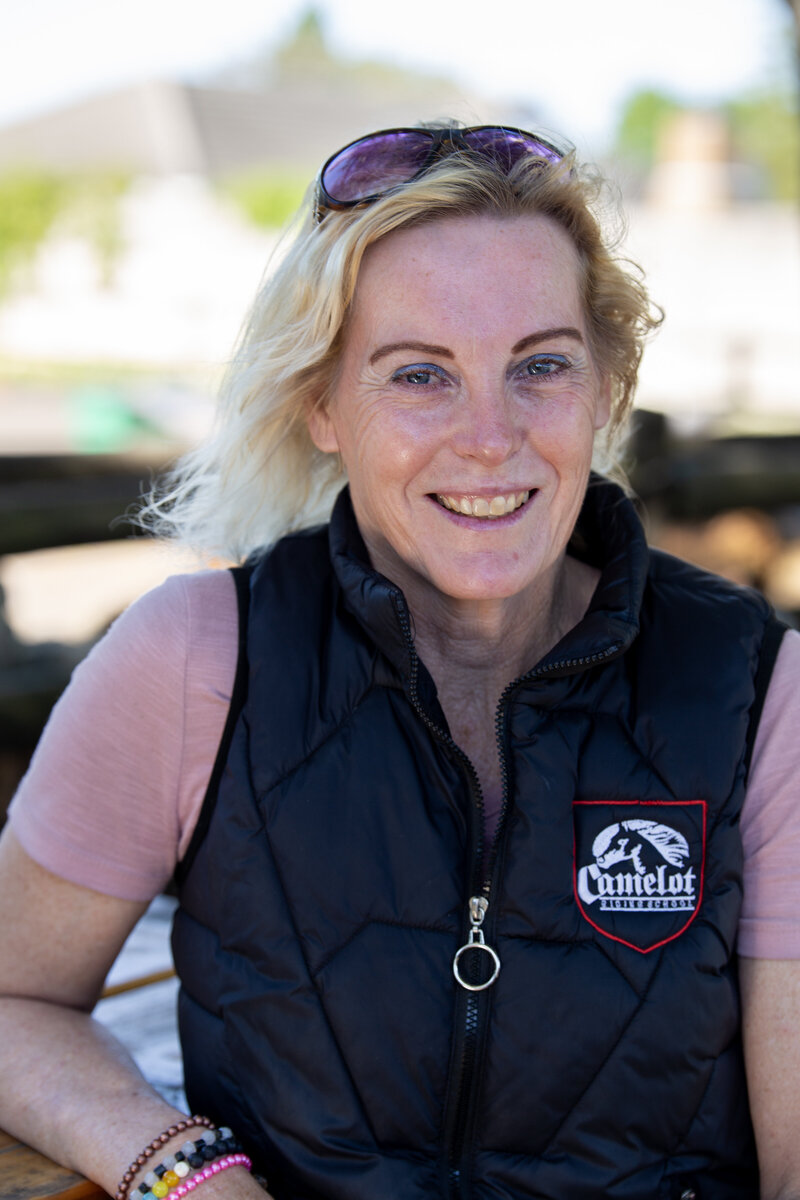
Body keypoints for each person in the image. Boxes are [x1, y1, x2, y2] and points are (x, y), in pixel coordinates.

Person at [1, 122, 799, 1200]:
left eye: (541, 365)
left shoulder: (756, 690)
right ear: (321, 402)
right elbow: (13, 998)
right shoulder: (192, 659)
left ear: (606, 388)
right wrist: (180, 1171)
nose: (488, 436)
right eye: (419, 374)